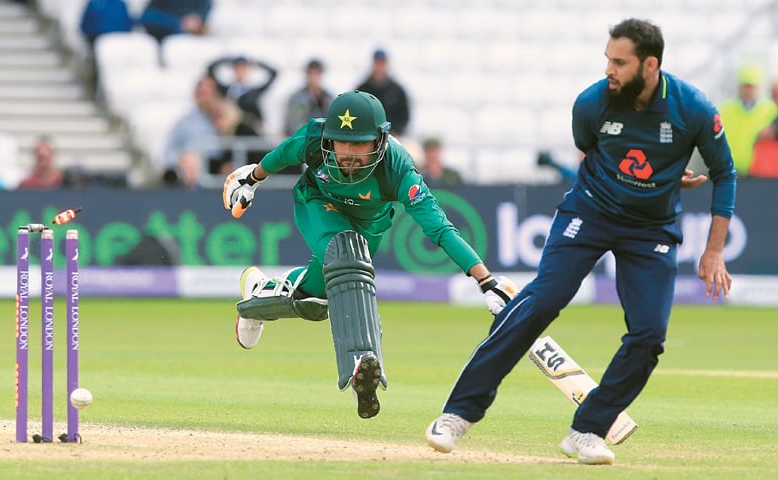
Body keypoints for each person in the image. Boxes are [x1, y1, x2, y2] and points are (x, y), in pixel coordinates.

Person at [425, 18, 737, 465]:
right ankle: (458, 414)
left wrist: (713, 250)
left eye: (620, 62)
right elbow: (590, 148)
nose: (609, 70)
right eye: (607, 59)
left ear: (650, 65)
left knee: (649, 336)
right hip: (590, 213)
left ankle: (587, 429)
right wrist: (655, 176)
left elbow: (725, 173)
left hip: (651, 229)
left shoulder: (693, 109)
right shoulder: (592, 103)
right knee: (542, 300)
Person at [221, 90, 516, 419]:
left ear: (380, 139)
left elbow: (440, 229)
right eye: (341, 144)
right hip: (317, 203)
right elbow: (279, 156)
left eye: (358, 144)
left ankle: (257, 299)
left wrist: (487, 281)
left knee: (317, 302)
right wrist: (251, 179)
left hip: (369, 229)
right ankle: (361, 362)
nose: (347, 155)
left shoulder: (398, 169)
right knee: (346, 253)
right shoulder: (314, 137)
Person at [718, 64, 777, 176]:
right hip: (729, 168)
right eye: (746, 86)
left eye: (751, 86)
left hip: (760, 171)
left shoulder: (770, 110)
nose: (748, 90)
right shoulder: (725, 110)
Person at [162, 76, 223, 185]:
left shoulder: (227, 118)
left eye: (209, 94)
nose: (206, 99)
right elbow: (170, 150)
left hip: (220, 174)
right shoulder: (186, 122)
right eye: (202, 94)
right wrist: (181, 161)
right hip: (191, 175)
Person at [207, 55, 278, 136]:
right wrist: (226, 60)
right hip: (230, 134)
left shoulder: (254, 92)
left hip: (250, 134)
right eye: (237, 67)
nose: (240, 71)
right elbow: (211, 70)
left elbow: (274, 73)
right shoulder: (226, 90)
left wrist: (258, 63)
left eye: (243, 68)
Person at [356, 49, 411, 136]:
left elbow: (404, 115)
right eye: (377, 63)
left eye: (382, 63)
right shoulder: (363, 89)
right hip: (367, 135)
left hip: (392, 135)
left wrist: (395, 131)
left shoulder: (397, 90)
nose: (379, 66)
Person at [283, 59, 334, 137]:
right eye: (311, 73)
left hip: (323, 139)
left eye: (317, 73)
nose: (314, 77)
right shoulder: (296, 98)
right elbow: (293, 124)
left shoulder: (327, 97)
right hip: (303, 138)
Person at [140, 0, 211, 42]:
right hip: (165, 41)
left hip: (196, 40)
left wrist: (197, 21)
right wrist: (179, 23)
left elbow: (201, 18)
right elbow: (147, 17)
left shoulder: (204, 3)